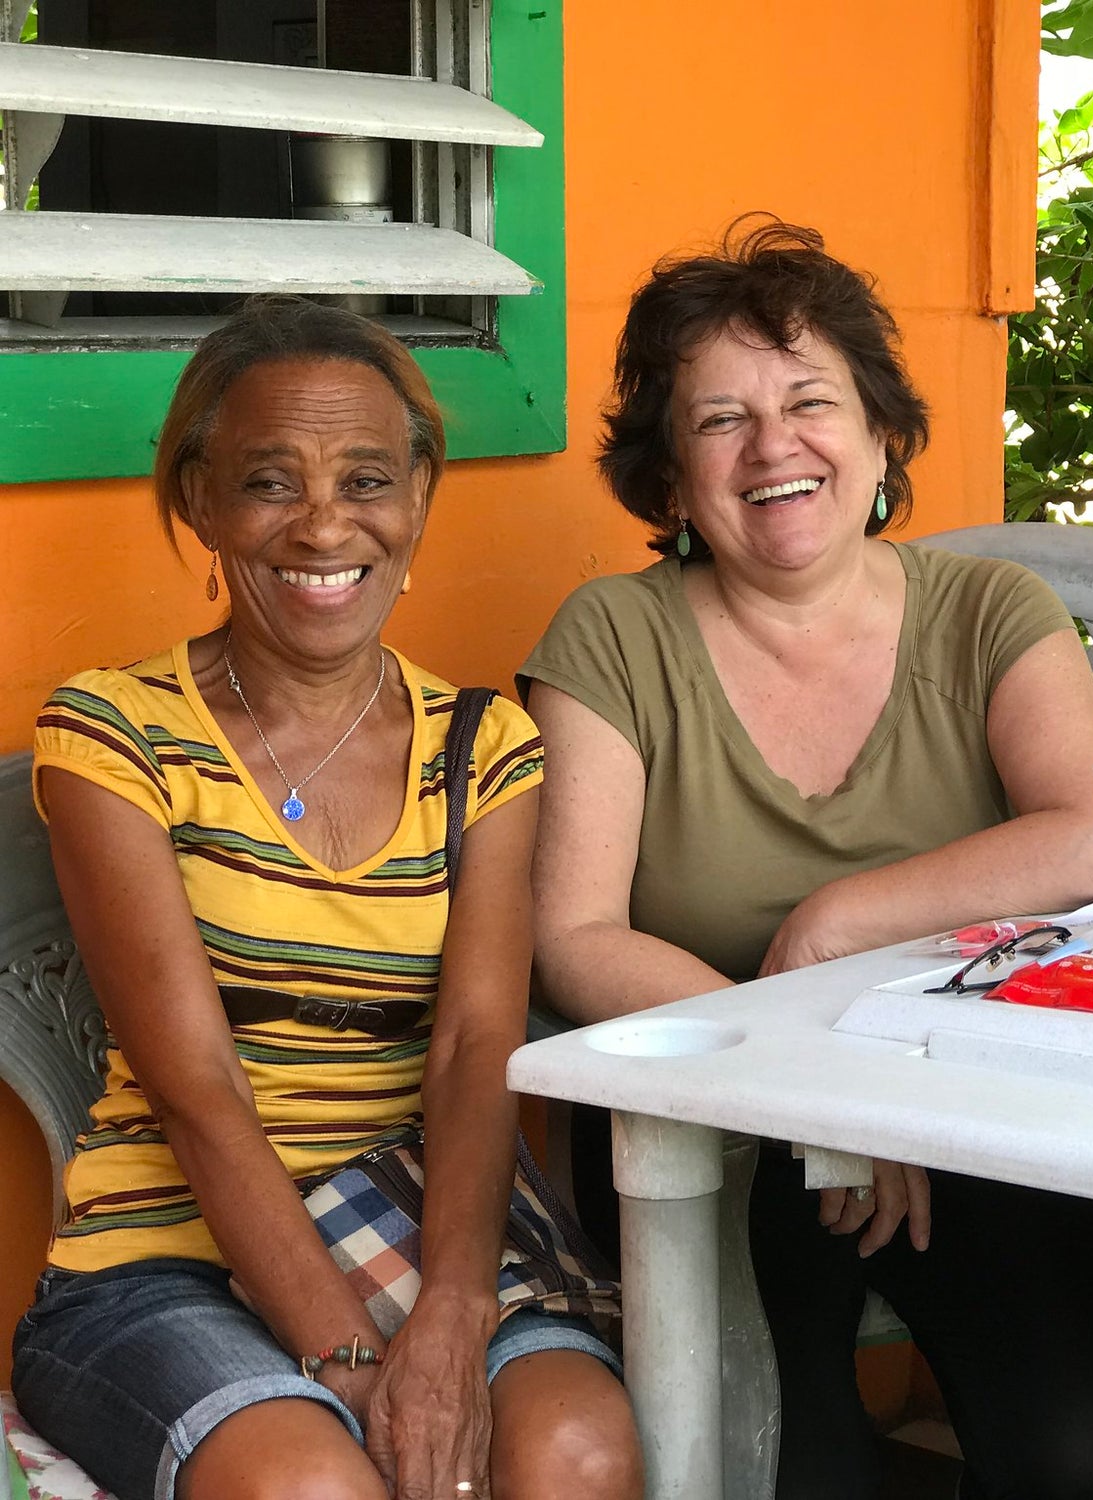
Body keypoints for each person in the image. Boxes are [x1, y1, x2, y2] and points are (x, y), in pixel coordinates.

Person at [520, 218, 1093, 1500]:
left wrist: (840, 922)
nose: (773, 447)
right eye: (719, 421)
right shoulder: (611, 635)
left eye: (810, 401)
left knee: (1080, 1452)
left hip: (966, 1091)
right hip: (708, 1109)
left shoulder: (987, 612)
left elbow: (1092, 830)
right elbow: (575, 934)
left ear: (879, 434)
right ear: (669, 476)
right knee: (785, 1470)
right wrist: (811, 1088)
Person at [12, 298, 641, 1500]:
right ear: (199, 501)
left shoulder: (481, 749)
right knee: (317, 1485)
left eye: (366, 478)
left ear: (416, 501)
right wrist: (353, 1363)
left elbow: (472, 1050)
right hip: (166, 1253)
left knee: (575, 1449)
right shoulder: (112, 734)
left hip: (420, 1214)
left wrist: (449, 1322)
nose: (323, 524)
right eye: (268, 481)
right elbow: (197, 1091)